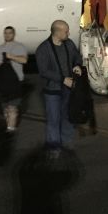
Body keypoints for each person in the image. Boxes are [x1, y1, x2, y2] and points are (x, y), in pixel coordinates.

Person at [35, 20, 83, 159]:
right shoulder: (43, 49)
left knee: (68, 117)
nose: (68, 33)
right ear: (57, 32)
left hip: (69, 90)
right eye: (66, 31)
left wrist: (77, 65)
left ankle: (66, 143)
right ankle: (54, 149)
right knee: (53, 120)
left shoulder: (69, 44)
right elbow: (44, 71)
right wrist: (63, 79)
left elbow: (77, 57)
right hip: (52, 92)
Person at [0, 26, 28, 132]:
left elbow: (24, 60)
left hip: (16, 82)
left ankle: (10, 130)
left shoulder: (19, 47)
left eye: (10, 33)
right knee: (5, 110)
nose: (8, 35)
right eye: (6, 33)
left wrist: (11, 56)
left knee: (12, 109)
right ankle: (8, 127)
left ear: (14, 34)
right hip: (2, 82)